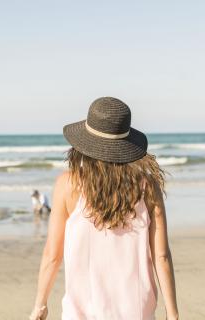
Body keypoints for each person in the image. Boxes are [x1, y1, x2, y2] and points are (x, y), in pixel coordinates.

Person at [29, 97, 178, 320]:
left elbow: (53, 255)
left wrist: (40, 305)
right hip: (137, 312)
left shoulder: (68, 185)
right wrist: (172, 312)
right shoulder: (148, 187)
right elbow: (162, 255)